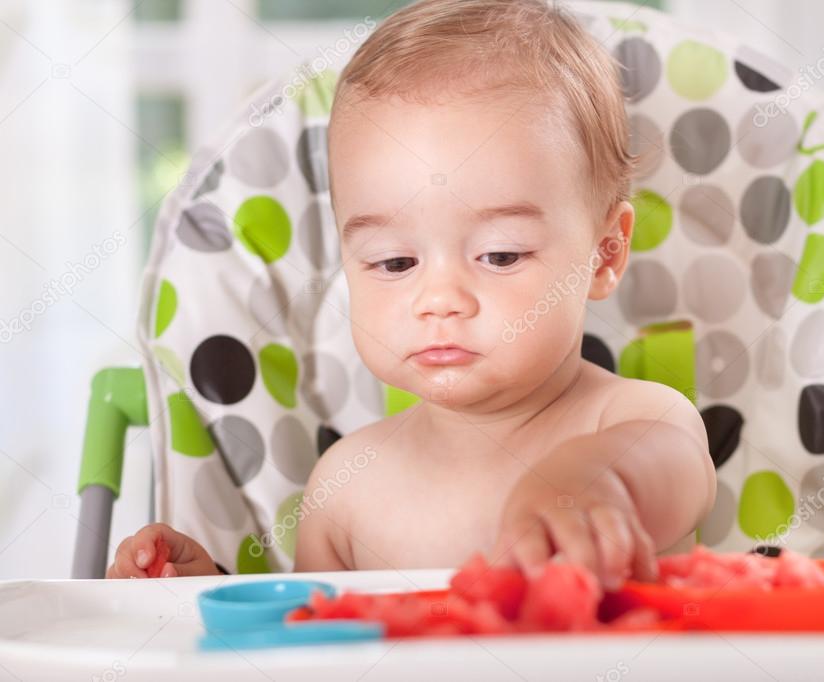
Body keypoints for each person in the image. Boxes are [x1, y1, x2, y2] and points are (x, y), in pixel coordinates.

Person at [107, 0, 715, 592]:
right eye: (394, 261)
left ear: (604, 255)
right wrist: (194, 593)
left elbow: (671, 471)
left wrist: (596, 484)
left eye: (500, 255)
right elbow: (310, 643)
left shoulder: (640, 423)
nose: (440, 299)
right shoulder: (347, 487)